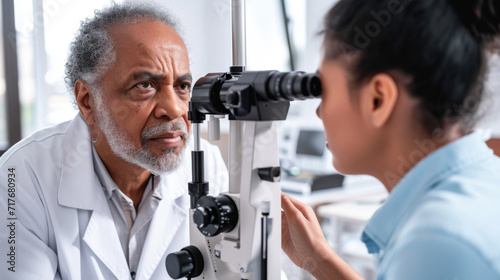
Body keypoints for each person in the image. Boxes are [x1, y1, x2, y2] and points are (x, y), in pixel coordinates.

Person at [0, 3, 227, 280]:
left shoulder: (207, 163)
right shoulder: (19, 176)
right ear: (87, 100)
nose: (175, 109)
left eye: (182, 87)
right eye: (145, 85)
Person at [281, 0, 500, 279]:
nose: (319, 111)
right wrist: (317, 258)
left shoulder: (437, 241)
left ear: (378, 100)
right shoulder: (483, 177)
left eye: (325, 91)